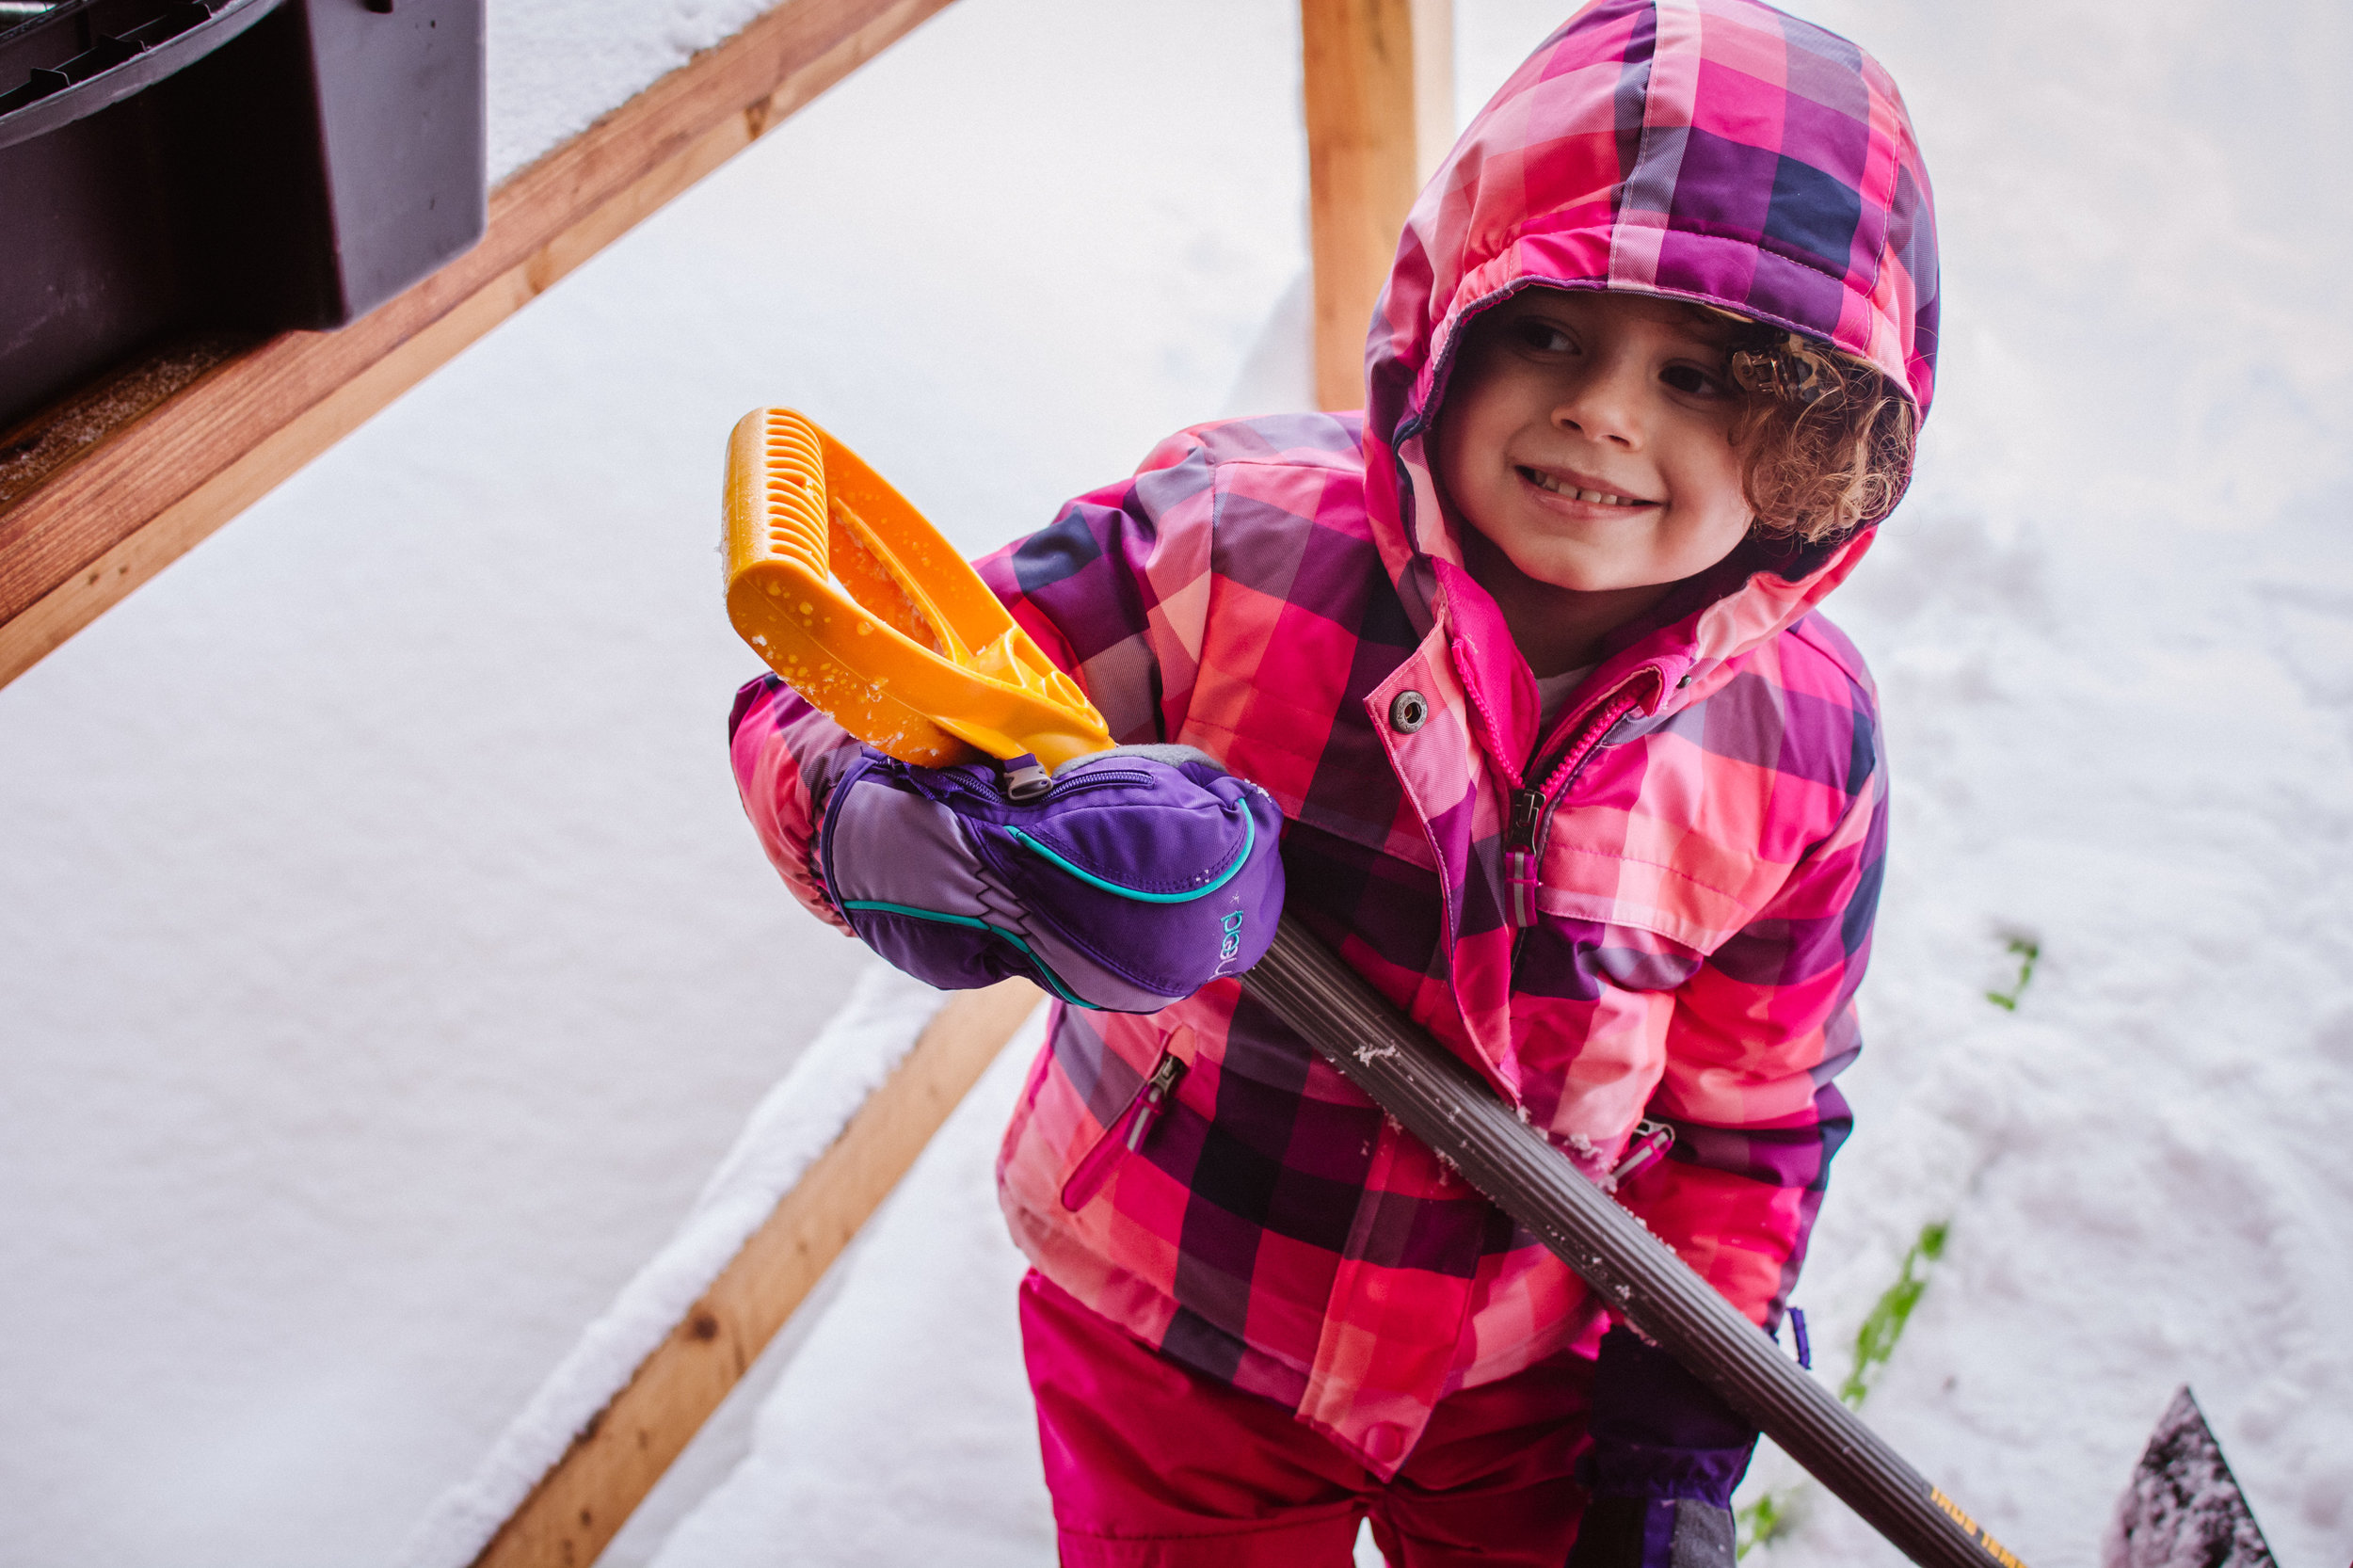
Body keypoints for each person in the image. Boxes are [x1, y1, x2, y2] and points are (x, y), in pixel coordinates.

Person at [728, 0, 1938, 1561]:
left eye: (1702, 375)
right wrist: (962, 858)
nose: (1605, 409)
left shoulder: (1804, 741)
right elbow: (824, 704)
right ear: (1451, 315)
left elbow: (1758, 1110)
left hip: (1532, 1381)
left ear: (1813, 431)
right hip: (1174, 1321)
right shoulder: (1230, 544)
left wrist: (1684, 1404)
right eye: (1551, 329)